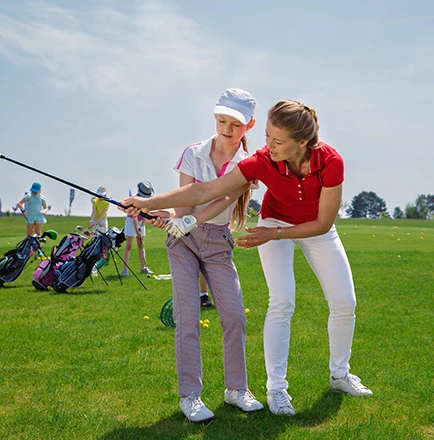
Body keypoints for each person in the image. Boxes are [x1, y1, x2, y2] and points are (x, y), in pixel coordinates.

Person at [121, 99, 373, 416]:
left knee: (345, 302)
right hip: (275, 221)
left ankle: (340, 375)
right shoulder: (261, 161)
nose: (268, 146)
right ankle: (277, 390)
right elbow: (204, 192)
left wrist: (274, 236)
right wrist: (148, 202)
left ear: (303, 143)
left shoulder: (331, 161)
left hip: (314, 228)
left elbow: (323, 223)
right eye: (267, 137)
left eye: (278, 141)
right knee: (282, 301)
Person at [142, 88, 264, 423]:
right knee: (187, 318)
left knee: (234, 315)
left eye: (235, 124)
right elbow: (184, 200)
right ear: (215, 117)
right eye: (222, 120)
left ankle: (236, 390)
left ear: (249, 125)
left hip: (217, 241)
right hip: (183, 241)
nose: (227, 128)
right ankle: (190, 396)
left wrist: (189, 219)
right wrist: (164, 215)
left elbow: (221, 199)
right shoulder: (192, 153)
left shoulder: (248, 165)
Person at [121, 181, 154, 277]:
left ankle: (144, 267)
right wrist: (136, 231)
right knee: (129, 246)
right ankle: (125, 269)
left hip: (141, 223)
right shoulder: (134, 200)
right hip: (131, 221)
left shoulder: (148, 201)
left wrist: (142, 226)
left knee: (141, 246)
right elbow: (134, 216)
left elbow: (146, 214)